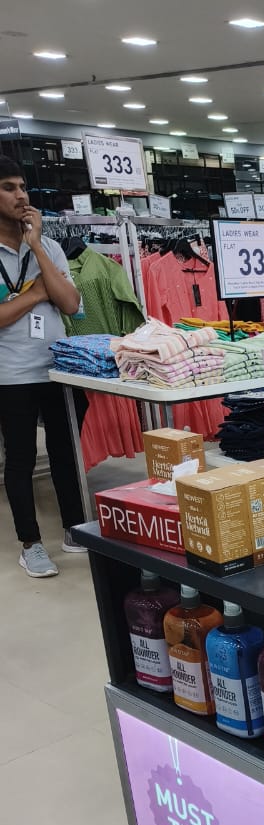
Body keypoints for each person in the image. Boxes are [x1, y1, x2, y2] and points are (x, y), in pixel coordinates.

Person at [0, 158, 85, 578]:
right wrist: (34, 296)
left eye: (23, 187)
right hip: (11, 374)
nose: (21, 196)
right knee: (20, 459)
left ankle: (74, 527)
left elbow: (69, 303)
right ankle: (30, 544)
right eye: (8, 188)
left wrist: (36, 246)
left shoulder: (48, 247)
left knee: (66, 453)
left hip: (58, 368)